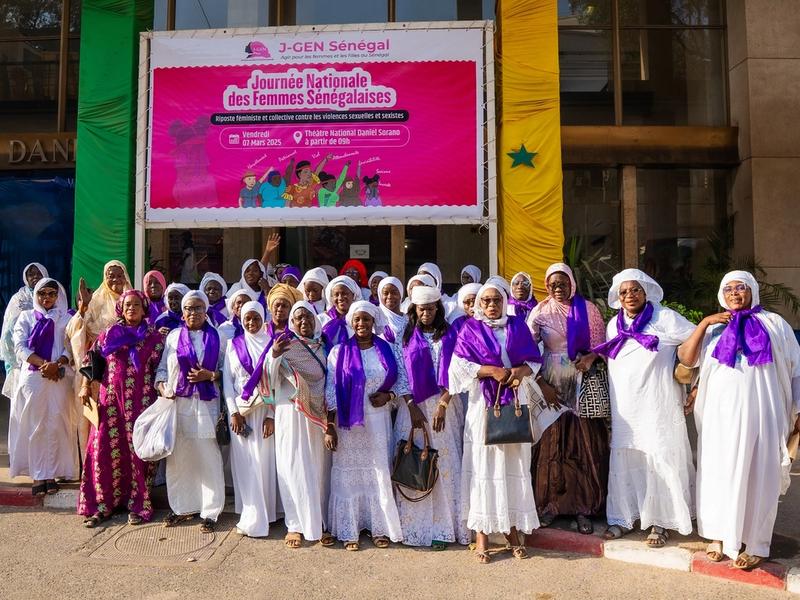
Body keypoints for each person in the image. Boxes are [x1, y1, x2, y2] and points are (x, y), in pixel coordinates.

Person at [677, 271, 800, 570]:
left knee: (760, 474)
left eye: (741, 287)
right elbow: (686, 359)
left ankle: (756, 543)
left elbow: (796, 369)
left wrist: (799, 409)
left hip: (764, 414)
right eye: (728, 288)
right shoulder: (713, 328)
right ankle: (718, 535)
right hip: (719, 416)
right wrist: (705, 322)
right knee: (719, 471)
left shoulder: (775, 324)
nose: (735, 293)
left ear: (752, 291)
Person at [593, 269, 696, 547]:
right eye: (624, 291)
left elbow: (698, 341)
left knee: (659, 455)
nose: (630, 296)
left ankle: (660, 522)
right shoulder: (613, 324)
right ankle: (624, 517)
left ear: (646, 291)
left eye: (635, 290)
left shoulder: (664, 317)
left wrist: (693, 381)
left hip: (658, 404)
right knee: (628, 457)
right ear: (617, 296)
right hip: (625, 407)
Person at [449, 281, 541, 564]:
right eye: (486, 301)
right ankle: (482, 536)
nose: (491, 305)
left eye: (496, 300)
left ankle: (512, 530)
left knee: (513, 465)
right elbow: (457, 368)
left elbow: (534, 361)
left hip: (513, 403)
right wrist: (491, 371)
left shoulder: (517, 326)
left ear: (504, 301)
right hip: (483, 408)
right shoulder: (470, 329)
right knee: (483, 469)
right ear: (479, 304)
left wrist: (519, 370)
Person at [527, 264, 609, 534]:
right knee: (551, 446)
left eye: (562, 283)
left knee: (582, 445)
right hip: (550, 382)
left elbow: (601, 348)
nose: (557, 288)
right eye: (552, 284)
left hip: (581, 381)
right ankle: (550, 506)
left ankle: (583, 508)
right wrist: (541, 384)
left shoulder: (589, 310)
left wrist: (589, 357)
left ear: (572, 283)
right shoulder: (540, 311)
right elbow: (525, 351)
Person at [324, 301, 410, 550]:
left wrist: (389, 396)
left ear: (374, 322)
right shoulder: (338, 352)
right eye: (357, 320)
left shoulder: (387, 349)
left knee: (377, 471)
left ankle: (378, 528)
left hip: (378, 418)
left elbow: (400, 380)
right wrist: (329, 426)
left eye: (366, 319)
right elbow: (330, 389)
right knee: (349, 473)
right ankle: (349, 530)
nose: (361, 324)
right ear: (351, 322)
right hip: (348, 422)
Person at [77, 290, 164, 527]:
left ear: (144, 308)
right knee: (102, 450)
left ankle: (137, 505)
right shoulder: (108, 335)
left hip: (142, 405)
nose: (132, 309)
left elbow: (161, 371)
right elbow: (92, 361)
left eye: (137, 305)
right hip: (110, 404)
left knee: (138, 454)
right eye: (127, 305)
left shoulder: (155, 338)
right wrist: (85, 386)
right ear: (120, 309)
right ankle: (102, 505)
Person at [396, 285, 469, 549]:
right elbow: (400, 373)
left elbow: (458, 369)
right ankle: (414, 527)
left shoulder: (450, 334)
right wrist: (412, 406)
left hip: (445, 408)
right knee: (416, 461)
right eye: (421, 309)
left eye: (430, 308)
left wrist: (443, 403)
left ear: (438, 308)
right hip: (413, 408)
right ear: (414, 309)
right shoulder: (404, 336)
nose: (425, 313)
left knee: (444, 465)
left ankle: (443, 528)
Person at [155, 290, 225, 533]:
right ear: (182, 312)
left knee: (207, 456)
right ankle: (182, 507)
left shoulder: (218, 336)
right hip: (179, 403)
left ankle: (210, 511)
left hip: (206, 405)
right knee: (180, 457)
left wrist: (211, 375)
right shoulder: (173, 337)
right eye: (188, 308)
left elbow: (229, 370)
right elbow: (163, 369)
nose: (193, 313)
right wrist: (163, 387)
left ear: (206, 311)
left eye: (198, 308)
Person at [268, 301, 334, 548]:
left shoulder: (324, 347)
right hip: (290, 411)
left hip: (317, 415)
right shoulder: (284, 346)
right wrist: (274, 355)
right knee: (292, 466)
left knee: (318, 468)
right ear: (292, 323)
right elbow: (267, 379)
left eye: (307, 317)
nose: (303, 322)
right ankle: (294, 524)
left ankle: (320, 523)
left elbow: (330, 379)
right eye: (298, 319)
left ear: (315, 320)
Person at [10, 278, 76, 495]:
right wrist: (44, 365)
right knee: (36, 425)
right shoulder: (26, 317)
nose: (46, 298)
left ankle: (55, 472)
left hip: (59, 377)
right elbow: (19, 347)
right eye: (42, 294)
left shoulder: (66, 318)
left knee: (57, 422)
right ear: (35, 296)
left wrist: (58, 364)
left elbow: (70, 346)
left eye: (51, 293)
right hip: (34, 377)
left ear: (58, 296)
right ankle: (39, 475)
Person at [222, 301, 278, 537]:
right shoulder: (233, 346)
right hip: (242, 415)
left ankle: (266, 514)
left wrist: (272, 415)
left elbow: (277, 382)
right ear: (241, 319)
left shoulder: (271, 344)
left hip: (264, 413)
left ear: (263, 318)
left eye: (256, 318)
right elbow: (227, 382)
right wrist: (233, 412)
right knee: (245, 464)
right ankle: (250, 513)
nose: (252, 323)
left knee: (263, 464)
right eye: (247, 319)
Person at [67, 260, 133, 458]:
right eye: (110, 275)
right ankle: (95, 461)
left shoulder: (133, 301)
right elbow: (74, 331)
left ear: (125, 276)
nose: (114, 279)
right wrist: (83, 308)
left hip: (125, 369)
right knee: (98, 417)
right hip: (98, 370)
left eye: (118, 274)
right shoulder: (94, 301)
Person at [1, 262, 48, 398]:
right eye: (31, 274)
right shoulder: (18, 299)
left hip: (46, 355)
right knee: (22, 396)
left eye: (39, 274)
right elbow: (8, 328)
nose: (35, 277)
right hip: (21, 354)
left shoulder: (52, 296)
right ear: (25, 278)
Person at [319, 275, 361, 348]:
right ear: (331, 297)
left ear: (353, 295)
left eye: (345, 293)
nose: (340, 298)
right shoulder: (321, 319)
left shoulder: (360, 320)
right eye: (336, 294)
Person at [377, 276, 407, 345]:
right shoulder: (375, 318)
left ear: (401, 294)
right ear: (380, 295)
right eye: (385, 293)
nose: (390, 296)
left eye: (394, 293)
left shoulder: (408, 320)